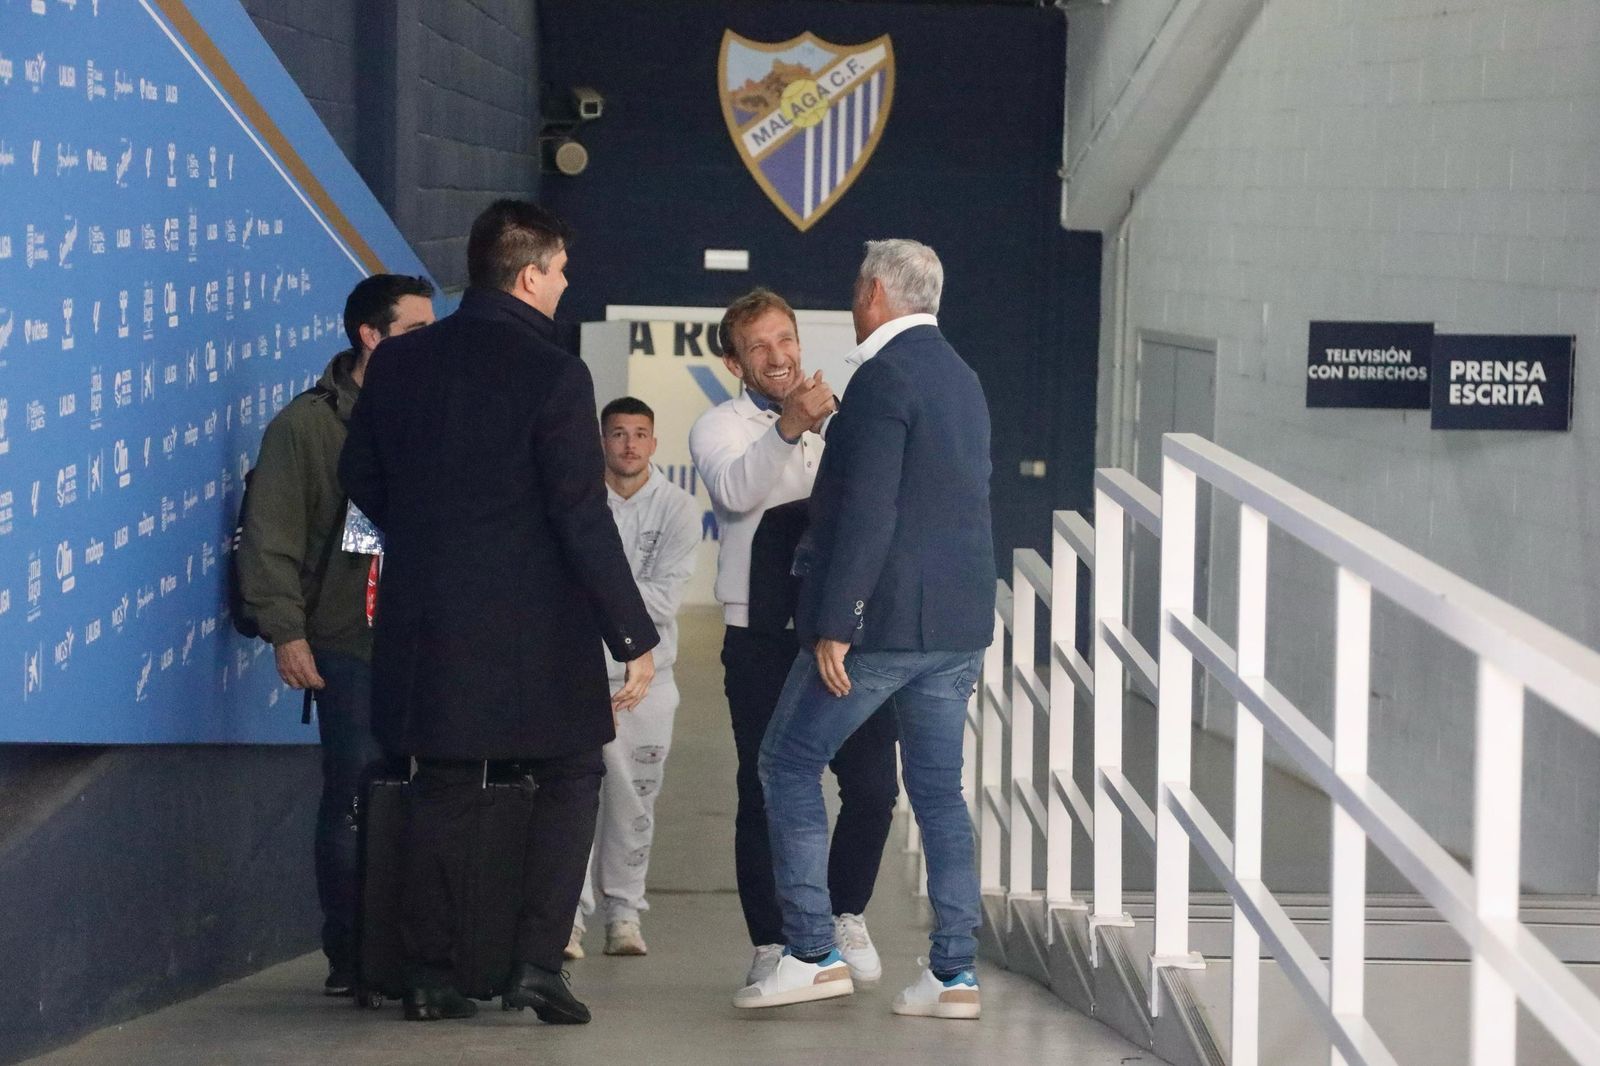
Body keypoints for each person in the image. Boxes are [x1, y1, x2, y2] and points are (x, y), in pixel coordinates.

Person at [338, 200, 658, 1024]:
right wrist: (632, 633)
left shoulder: (403, 365)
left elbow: (360, 477)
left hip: (426, 620)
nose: (564, 282)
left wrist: (427, 542)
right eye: (558, 270)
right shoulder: (555, 374)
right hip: (534, 632)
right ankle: (534, 965)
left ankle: (433, 975)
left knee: (440, 785)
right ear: (528, 276)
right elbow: (579, 515)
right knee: (571, 772)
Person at [734, 240, 996, 1019]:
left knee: (785, 760)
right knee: (939, 793)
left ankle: (811, 951)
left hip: (882, 625)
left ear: (876, 293)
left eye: (857, 287)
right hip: (957, 625)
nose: (853, 300)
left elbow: (866, 512)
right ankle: (954, 975)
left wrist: (838, 619)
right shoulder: (962, 375)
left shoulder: (883, 377)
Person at [688, 288, 899, 995]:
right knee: (764, 789)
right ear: (734, 362)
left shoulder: (843, 418)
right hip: (761, 636)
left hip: (847, 628)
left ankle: (843, 915)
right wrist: (786, 426)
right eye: (758, 348)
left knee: (871, 785)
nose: (777, 356)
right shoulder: (719, 427)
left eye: (785, 340)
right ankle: (775, 941)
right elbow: (739, 492)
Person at [235, 272, 435, 997]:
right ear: (370, 337)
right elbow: (271, 540)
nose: (430, 343)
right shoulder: (307, 427)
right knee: (354, 797)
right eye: (415, 331)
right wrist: (287, 633)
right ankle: (350, 956)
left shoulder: (432, 417)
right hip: (346, 644)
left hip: (425, 644)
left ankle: (413, 951)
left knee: (425, 802)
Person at [569, 396, 700, 959]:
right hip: (575, 676)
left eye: (639, 434)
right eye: (617, 433)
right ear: (602, 440)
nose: (628, 444)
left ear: (653, 442)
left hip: (648, 680)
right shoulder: (577, 502)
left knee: (634, 801)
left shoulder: (678, 508)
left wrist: (597, 593)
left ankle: (624, 916)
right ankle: (567, 920)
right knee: (571, 801)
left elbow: (666, 600)